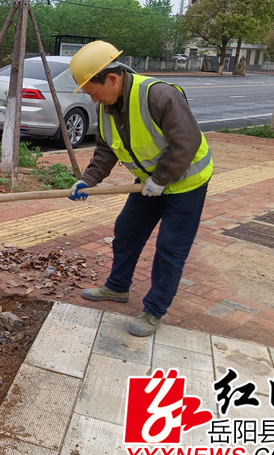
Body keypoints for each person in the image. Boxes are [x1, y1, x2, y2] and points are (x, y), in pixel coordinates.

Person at [68, 40, 213, 337]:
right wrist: (88, 180)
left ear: (111, 78)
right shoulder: (108, 106)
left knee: (170, 249)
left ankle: (154, 310)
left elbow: (187, 142)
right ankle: (118, 287)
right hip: (148, 184)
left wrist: (161, 180)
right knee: (127, 231)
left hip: (185, 184)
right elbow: (106, 148)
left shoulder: (159, 96)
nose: (94, 100)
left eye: (94, 93)